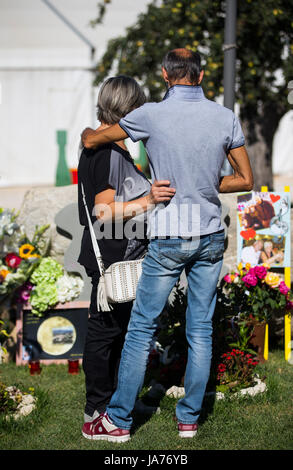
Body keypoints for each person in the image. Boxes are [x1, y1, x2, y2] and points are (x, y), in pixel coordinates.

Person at [81, 48, 254, 442]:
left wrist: (86, 136)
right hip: (209, 236)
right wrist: (207, 183)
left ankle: (119, 421)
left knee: (141, 328)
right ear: (203, 74)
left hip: (169, 237)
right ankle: (189, 419)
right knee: (200, 330)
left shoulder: (149, 116)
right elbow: (245, 179)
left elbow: (95, 139)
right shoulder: (224, 117)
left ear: (164, 74)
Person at [78, 75, 176, 433]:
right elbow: (104, 212)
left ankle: (118, 399)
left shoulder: (111, 148)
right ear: (128, 110)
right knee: (105, 333)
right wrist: (148, 200)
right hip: (112, 259)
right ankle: (96, 410)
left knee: (121, 333)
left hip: (126, 255)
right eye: (139, 109)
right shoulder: (103, 152)